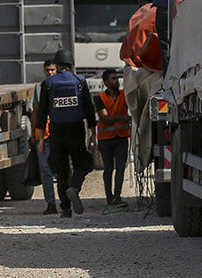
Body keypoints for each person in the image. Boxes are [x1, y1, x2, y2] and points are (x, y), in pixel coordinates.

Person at [34, 48, 97, 217]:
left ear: (57, 64)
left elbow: (42, 113)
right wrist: (93, 133)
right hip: (76, 129)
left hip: (56, 131)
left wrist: (40, 139)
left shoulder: (48, 84)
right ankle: (74, 187)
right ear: (71, 64)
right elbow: (89, 109)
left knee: (61, 171)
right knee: (83, 164)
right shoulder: (80, 81)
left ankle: (66, 209)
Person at [94, 68, 131, 211]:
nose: (117, 81)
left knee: (120, 168)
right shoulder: (100, 98)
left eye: (117, 78)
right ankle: (109, 197)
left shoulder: (125, 94)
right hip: (106, 139)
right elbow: (104, 118)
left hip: (121, 137)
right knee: (108, 168)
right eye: (113, 78)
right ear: (106, 82)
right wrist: (121, 118)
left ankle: (117, 196)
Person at [34, 59, 59, 214]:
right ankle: (51, 203)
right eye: (47, 70)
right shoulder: (39, 88)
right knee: (45, 170)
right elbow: (36, 112)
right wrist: (35, 135)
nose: (50, 73)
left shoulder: (63, 84)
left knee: (62, 170)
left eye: (52, 70)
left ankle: (66, 202)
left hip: (59, 132)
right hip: (44, 134)